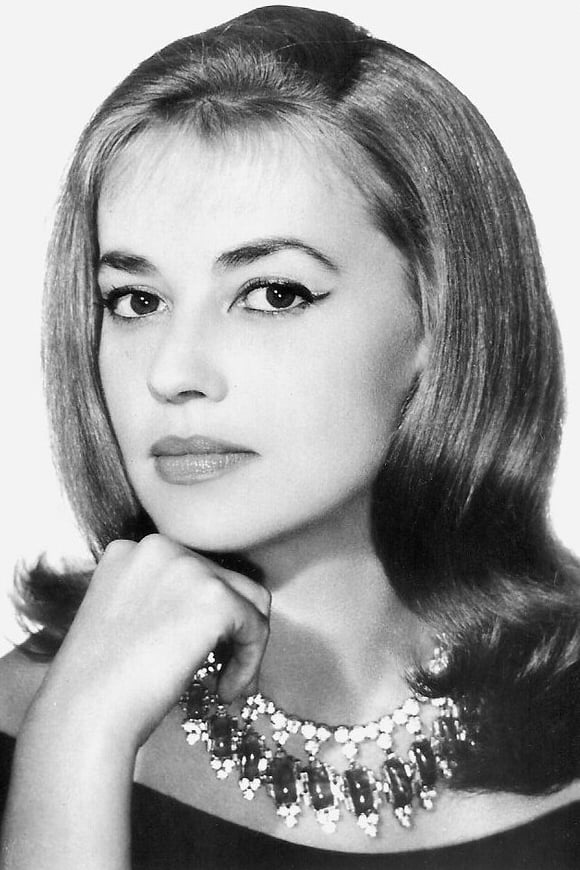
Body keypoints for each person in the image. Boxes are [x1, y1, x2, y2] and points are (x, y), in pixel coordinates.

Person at [0, 4, 579, 868]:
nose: (173, 371)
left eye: (273, 294)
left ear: (439, 317)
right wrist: (77, 740)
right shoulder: (36, 721)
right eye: (136, 300)